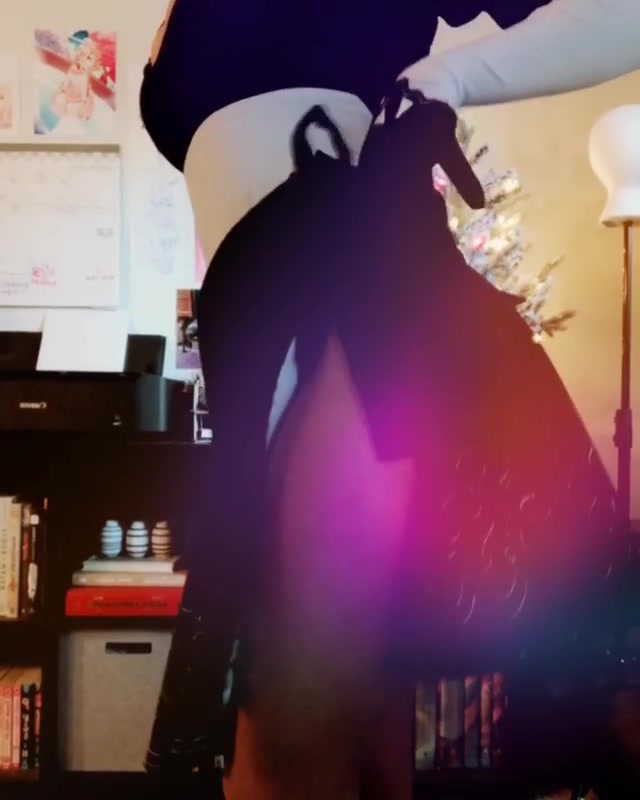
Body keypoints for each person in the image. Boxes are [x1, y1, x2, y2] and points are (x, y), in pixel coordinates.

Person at [139, 2, 637, 799]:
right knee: (351, 721)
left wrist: (452, 76)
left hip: (351, 288)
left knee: (300, 720)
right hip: (266, 317)